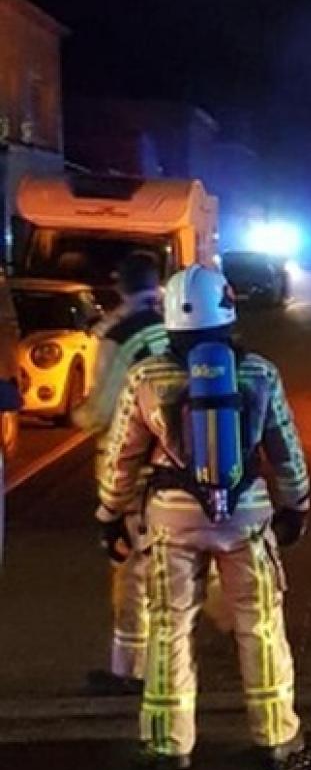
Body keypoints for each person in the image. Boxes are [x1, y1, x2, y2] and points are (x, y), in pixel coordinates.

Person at [97, 265, 310, 770]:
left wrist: (109, 512)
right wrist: (296, 504)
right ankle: (276, 735)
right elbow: (285, 447)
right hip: (247, 516)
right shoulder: (259, 372)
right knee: (259, 624)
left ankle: (170, 743)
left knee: (170, 626)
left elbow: (121, 453)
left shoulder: (146, 376)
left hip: (172, 519)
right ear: (229, 309)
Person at [73, 252, 170, 696]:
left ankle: (130, 670)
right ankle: (173, 657)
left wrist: (78, 415)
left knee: (129, 564)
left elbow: (103, 410)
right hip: (177, 467)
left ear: (119, 286)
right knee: (170, 565)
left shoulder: (118, 336)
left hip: (132, 467)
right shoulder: (181, 325)